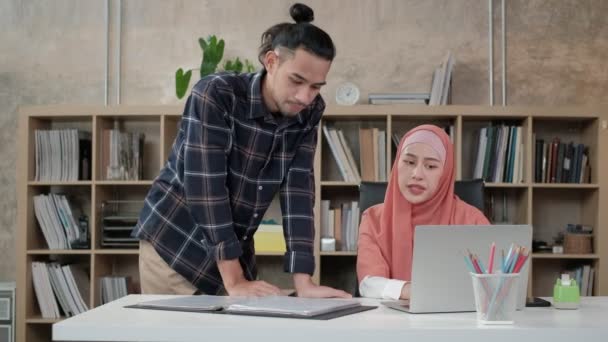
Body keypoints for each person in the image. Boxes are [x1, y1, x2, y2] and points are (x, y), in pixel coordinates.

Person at [133, 3, 350, 299]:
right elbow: (206, 187)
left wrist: (304, 282)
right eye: (296, 81)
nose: (304, 97)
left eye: (315, 87)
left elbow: (298, 190)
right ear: (271, 61)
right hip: (176, 249)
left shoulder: (309, 111)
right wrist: (234, 281)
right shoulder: (216, 94)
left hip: (235, 256)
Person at [356, 124, 490, 300]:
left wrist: (413, 291)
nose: (417, 174)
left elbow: (492, 282)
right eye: (409, 162)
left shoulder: (472, 219)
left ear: (445, 174)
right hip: (389, 322)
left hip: (455, 322)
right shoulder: (373, 219)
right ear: (397, 164)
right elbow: (369, 284)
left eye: (431, 166)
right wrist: (424, 292)